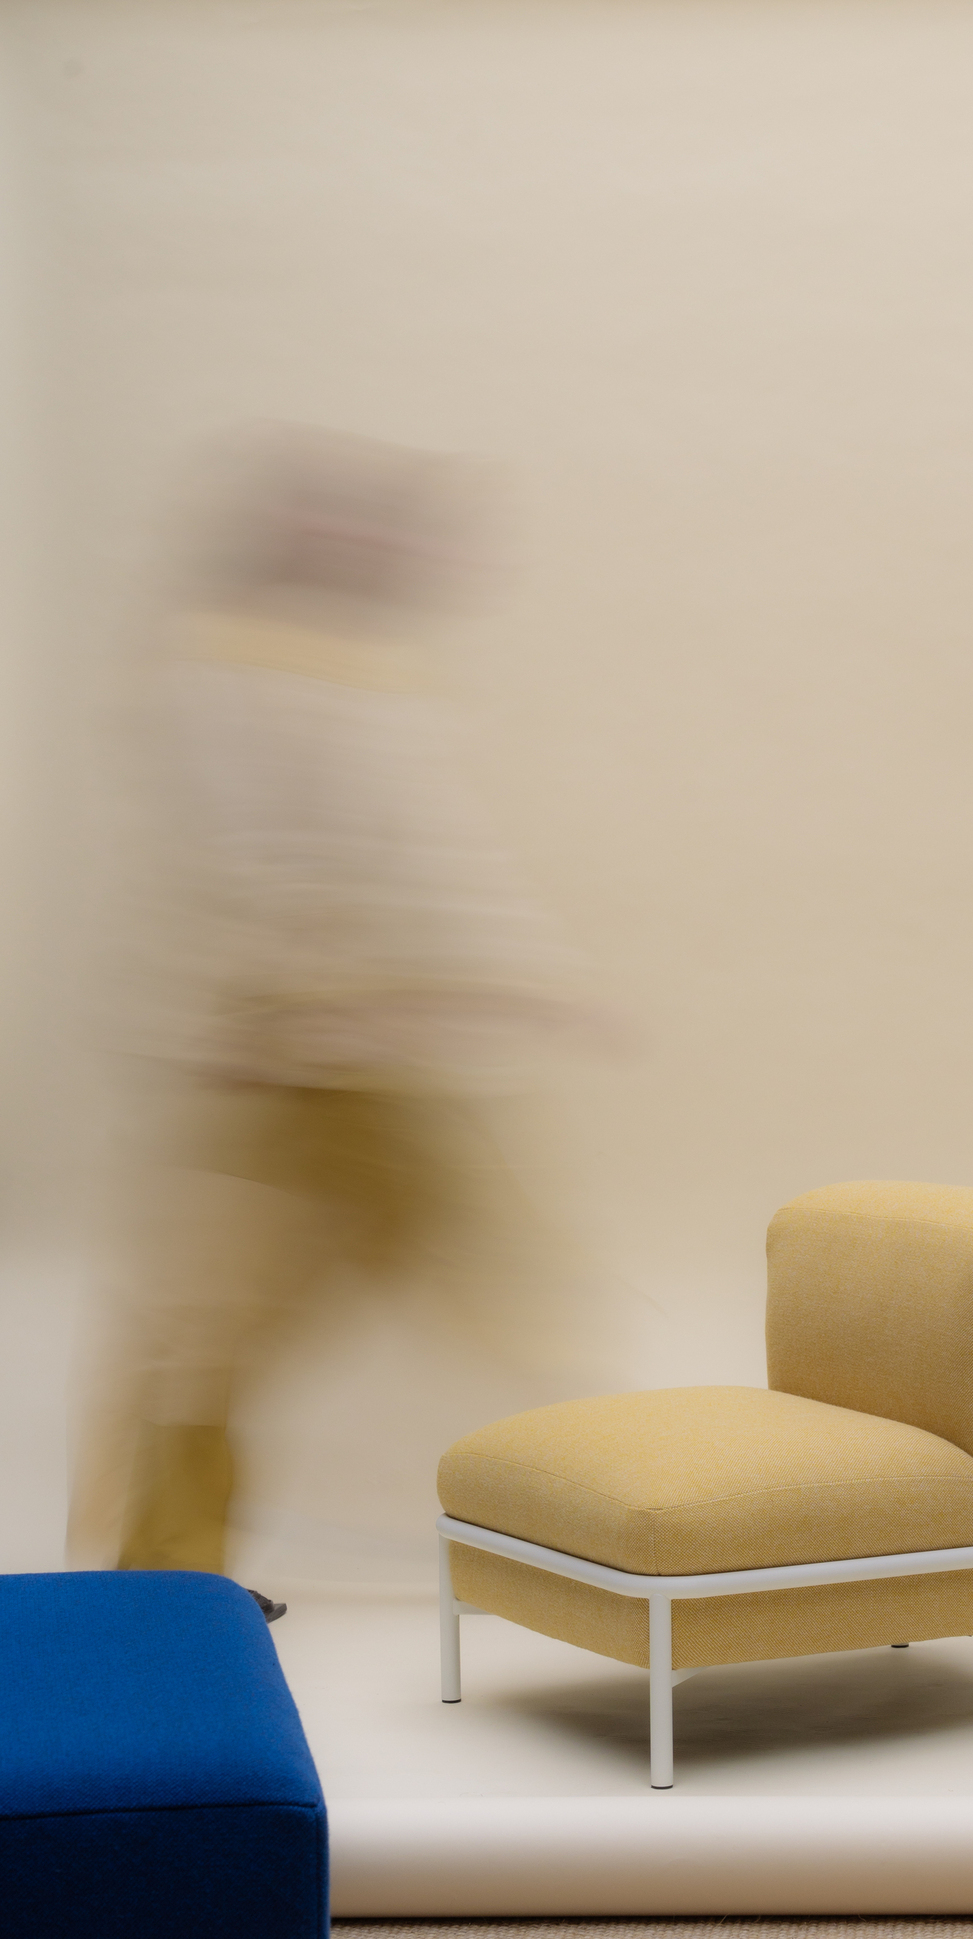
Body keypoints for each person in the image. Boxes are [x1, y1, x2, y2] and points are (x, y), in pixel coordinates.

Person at [68, 427, 597, 1610]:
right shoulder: (241, 669)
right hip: (306, 1057)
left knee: (264, 1322)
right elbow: (274, 858)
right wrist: (314, 993)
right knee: (222, 1333)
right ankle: (159, 1589)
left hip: (360, 1050)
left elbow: (422, 851)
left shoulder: (328, 668)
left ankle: (609, 1529)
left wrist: (520, 976)